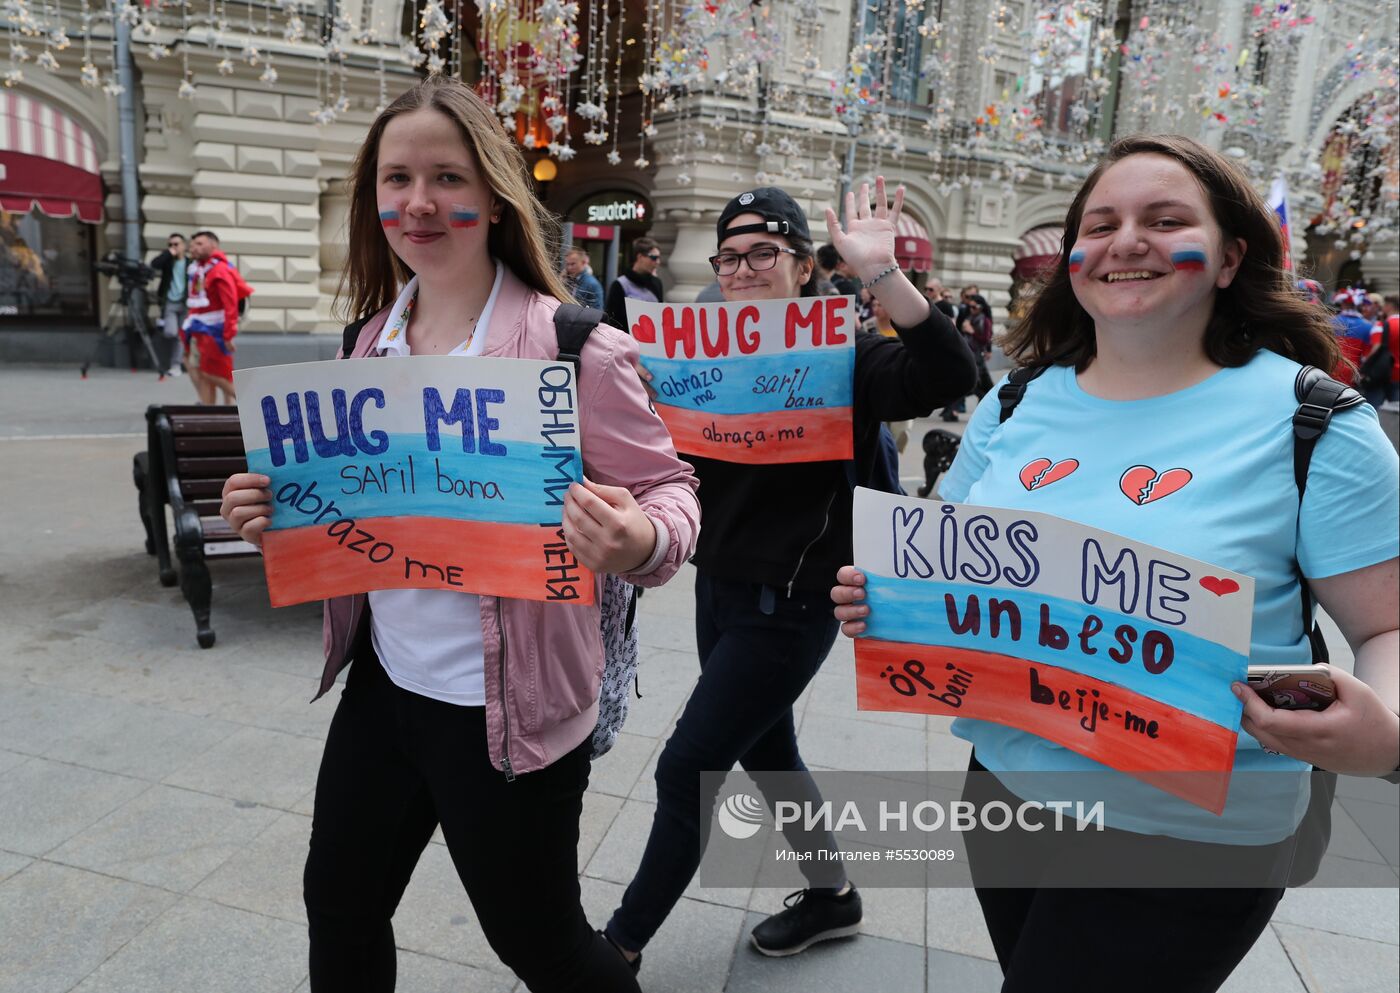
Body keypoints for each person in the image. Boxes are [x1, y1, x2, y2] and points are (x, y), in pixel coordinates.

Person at [831, 134, 1400, 993]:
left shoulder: (1316, 421)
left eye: (1164, 220)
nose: (1125, 241)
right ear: (1072, 258)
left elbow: (1387, 623)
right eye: (1100, 224)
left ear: (1229, 256)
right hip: (1008, 788)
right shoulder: (1016, 398)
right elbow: (952, 563)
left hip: (1194, 834)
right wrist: (887, 595)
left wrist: (1384, 728)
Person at [218, 76, 700, 993]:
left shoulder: (573, 347)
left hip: (510, 710)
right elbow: (354, 507)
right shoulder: (366, 343)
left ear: (494, 193)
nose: (420, 202)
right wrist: (275, 511)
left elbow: (671, 491)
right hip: (384, 682)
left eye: (446, 176)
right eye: (396, 179)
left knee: (542, 945)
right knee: (341, 902)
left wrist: (638, 538)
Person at [604, 181, 976, 967]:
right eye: (729, 255)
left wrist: (881, 275)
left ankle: (618, 946)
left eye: (763, 253)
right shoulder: (694, 348)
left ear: (803, 267)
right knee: (768, 755)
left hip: (795, 603)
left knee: (688, 766)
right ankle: (833, 894)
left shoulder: (846, 355)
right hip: (721, 584)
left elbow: (950, 373)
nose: (742, 269)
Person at [181, 231, 252, 404]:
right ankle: (209, 412)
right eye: (192, 244)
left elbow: (230, 305)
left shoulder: (219, 270)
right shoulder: (199, 269)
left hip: (213, 331)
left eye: (199, 244)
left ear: (213, 245)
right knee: (201, 372)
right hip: (198, 329)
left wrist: (228, 334)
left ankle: (249, 402)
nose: (193, 248)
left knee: (213, 373)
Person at [604, 236, 664, 331]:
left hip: (652, 340)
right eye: (653, 257)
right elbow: (613, 320)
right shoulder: (619, 284)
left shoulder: (657, 283)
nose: (657, 262)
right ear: (640, 257)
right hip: (626, 340)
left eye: (658, 258)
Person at [149, 233, 188, 376]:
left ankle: (176, 365)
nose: (173, 247)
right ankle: (181, 360)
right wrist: (168, 253)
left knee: (181, 336)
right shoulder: (167, 261)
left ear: (184, 246)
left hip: (185, 304)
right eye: (170, 245)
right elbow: (154, 265)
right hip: (170, 303)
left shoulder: (190, 262)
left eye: (176, 244)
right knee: (171, 332)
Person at [1329, 286, 1373, 386]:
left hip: (1330, 369)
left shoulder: (1329, 321)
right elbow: (1366, 356)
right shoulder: (1368, 326)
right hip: (1353, 373)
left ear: (1343, 303)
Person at [1362, 293, 1399, 410]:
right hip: (1397, 376)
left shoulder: (1382, 325)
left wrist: (1365, 367)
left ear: (1389, 306)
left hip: (1381, 373)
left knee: (1371, 409)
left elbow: (1376, 347)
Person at [563, 245, 604, 310]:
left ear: (583, 263)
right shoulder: (568, 280)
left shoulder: (592, 284)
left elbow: (597, 312)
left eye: (573, 264)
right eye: (567, 264)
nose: (569, 267)